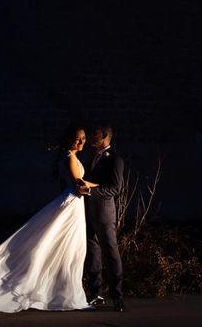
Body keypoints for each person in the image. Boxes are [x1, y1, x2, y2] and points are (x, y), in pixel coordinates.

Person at [0, 124, 98, 322]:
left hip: (71, 206)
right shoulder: (71, 158)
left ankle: (63, 294)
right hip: (71, 207)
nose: (81, 141)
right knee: (69, 251)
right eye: (77, 138)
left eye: (83, 138)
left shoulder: (68, 156)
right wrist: (99, 185)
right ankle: (67, 296)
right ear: (69, 139)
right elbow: (80, 186)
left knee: (68, 251)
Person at [79, 123, 125, 312]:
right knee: (93, 253)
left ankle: (117, 296)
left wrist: (90, 191)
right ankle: (96, 293)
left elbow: (115, 189)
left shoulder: (115, 160)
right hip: (89, 213)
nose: (91, 136)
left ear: (105, 136)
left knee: (111, 254)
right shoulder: (92, 157)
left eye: (95, 134)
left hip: (105, 215)